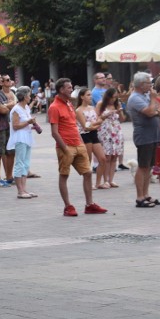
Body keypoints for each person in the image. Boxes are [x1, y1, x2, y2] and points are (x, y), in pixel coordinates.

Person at [48, 77, 107, 216]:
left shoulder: (69, 103)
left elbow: (74, 126)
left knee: (87, 173)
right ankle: (68, 206)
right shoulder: (54, 107)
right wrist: (65, 148)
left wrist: (80, 142)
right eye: (69, 87)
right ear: (61, 90)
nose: (71, 89)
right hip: (66, 146)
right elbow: (54, 132)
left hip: (78, 143)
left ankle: (89, 204)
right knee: (64, 175)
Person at [127, 72, 160, 207]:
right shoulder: (135, 98)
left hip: (153, 135)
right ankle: (139, 197)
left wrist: (154, 108)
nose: (151, 85)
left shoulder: (145, 95)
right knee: (142, 166)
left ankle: (146, 194)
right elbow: (149, 112)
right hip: (144, 136)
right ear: (141, 85)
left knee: (149, 166)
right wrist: (153, 102)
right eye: (149, 83)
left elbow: (157, 110)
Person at [8, 86, 38, 199]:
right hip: (20, 138)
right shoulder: (16, 109)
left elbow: (25, 123)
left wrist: (32, 125)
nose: (30, 97)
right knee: (19, 163)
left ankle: (24, 189)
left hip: (27, 137)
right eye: (29, 95)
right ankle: (20, 191)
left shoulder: (26, 108)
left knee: (25, 163)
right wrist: (28, 122)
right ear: (25, 96)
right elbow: (15, 126)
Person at [74, 87, 108, 190]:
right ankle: (88, 183)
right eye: (88, 95)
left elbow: (97, 121)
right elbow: (85, 126)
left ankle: (98, 183)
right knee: (87, 161)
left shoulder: (92, 108)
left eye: (90, 95)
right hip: (85, 135)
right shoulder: (79, 110)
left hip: (94, 134)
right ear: (82, 97)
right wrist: (97, 123)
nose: (90, 97)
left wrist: (95, 124)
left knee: (102, 159)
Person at [97, 87, 125, 188]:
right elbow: (96, 118)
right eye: (112, 97)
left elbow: (122, 119)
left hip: (116, 131)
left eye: (115, 98)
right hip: (106, 131)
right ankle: (105, 180)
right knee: (107, 157)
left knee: (114, 156)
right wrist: (107, 114)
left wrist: (120, 111)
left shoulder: (117, 104)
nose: (113, 99)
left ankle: (111, 179)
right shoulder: (101, 104)